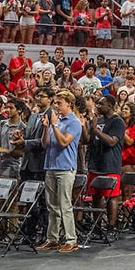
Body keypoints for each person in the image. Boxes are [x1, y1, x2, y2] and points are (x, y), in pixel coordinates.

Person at [38, 89, 82, 252]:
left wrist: (54, 125)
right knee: (52, 205)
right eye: (55, 103)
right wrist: (45, 128)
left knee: (65, 205)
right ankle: (53, 238)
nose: (56, 106)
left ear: (69, 103)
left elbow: (64, 142)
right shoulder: (56, 121)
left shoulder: (74, 122)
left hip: (65, 167)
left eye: (59, 103)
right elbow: (45, 144)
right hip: (50, 166)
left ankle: (71, 239)